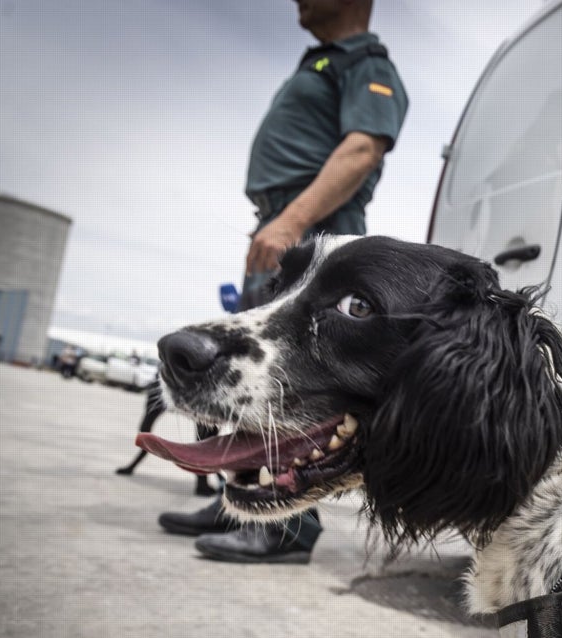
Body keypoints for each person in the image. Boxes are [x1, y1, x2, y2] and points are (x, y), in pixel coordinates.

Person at [158, 0, 407, 563]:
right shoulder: (318, 62)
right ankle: (241, 494)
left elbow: (363, 147)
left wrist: (294, 222)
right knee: (245, 382)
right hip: (282, 228)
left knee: (289, 384)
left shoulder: (365, 62)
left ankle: (286, 527)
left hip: (311, 233)